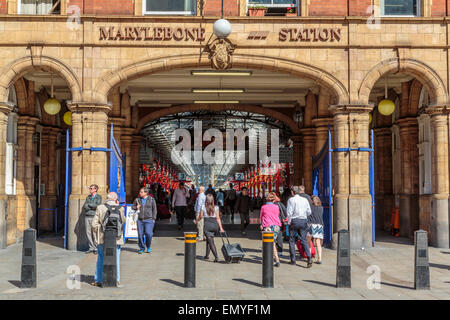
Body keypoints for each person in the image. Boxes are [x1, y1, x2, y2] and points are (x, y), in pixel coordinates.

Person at [91, 192, 125, 287]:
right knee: (116, 258)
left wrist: (99, 230)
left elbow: (94, 224)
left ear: (107, 198)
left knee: (101, 258)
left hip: (103, 238)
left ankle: (99, 280)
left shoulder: (100, 207)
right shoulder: (121, 208)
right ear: (116, 199)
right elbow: (123, 220)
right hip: (116, 238)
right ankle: (116, 280)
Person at [286, 185, 313, 268]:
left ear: (292, 192)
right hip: (303, 220)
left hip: (294, 221)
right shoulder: (305, 200)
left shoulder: (291, 200)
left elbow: (289, 212)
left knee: (291, 240)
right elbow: (309, 212)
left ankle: (293, 260)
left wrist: (289, 222)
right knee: (304, 240)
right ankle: (309, 258)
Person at [195, 194, 225, 262]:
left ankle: (216, 257)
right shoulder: (216, 207)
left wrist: (196, 221)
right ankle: (206, 255)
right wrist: (221, 228)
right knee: (209, 240)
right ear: (213, 200)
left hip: (207, 225)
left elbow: (200, 217)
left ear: (206, 200)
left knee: (211, 242)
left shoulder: (203, 207)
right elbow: (218, 218)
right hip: (215, 226)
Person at [132, 187, 157, 254]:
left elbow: (154, 209)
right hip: (140, 220)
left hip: (149, 219)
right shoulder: (137, 199)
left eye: (141, 192)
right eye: (140, 192)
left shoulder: (151, 200)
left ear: (146, 193)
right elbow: (133, 207)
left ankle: (148, 246)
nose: (140, 193)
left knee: (149, 234)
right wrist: (136, 207)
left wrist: (154, 218)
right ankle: (142, 248)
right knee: (140, 235)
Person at [260, 192, 282, 267]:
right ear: (274, 200)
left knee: (270, 243)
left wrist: (261, 224)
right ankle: (274, 258)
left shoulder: (263, 207)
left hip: (268, 226)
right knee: (272, 242)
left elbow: (261, 217)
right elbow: (277, 215)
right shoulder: (276, 207)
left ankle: (276, 259)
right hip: (276, 226)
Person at [82, 184, 102, 254]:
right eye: (90, 188)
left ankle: (96, 247)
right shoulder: (88, 197)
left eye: (91, 188)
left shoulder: (99, 197)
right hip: (87, 216)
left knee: (95, 232)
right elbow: (85, 206)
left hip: (94, 216)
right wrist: (91, 206)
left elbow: (97, 205)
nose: (90, 190)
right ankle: (91, 247)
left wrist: (89, 205)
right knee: (88, 233)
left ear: (95, 189)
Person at [309, 195, 324, 264]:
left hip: (312, 225)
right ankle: (319, 259)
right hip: (320, 225)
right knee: (318, 243)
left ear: (312, 201)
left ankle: (309, 258)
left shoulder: (310, 207)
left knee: (308, 241)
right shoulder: (321, 208)